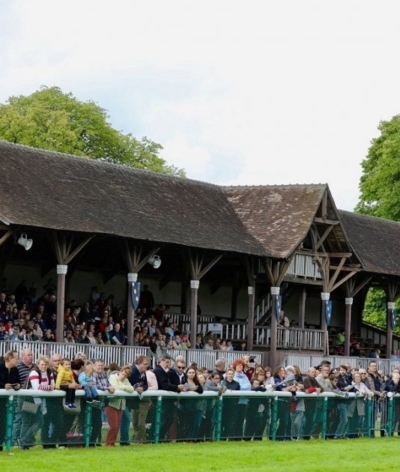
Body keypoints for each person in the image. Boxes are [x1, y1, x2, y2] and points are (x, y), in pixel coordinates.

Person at [20, 355, 54, 450]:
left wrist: (49, 387)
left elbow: (53, 385)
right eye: (42, 364)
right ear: (38, 364)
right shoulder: (34, 372)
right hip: (27, 399)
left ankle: (25, 442)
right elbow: (37, 387)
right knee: (30, 422)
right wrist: (48, 388)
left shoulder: (49, 372)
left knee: (38, 422)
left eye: (45, 365)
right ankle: (24, 442)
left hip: (36, 399)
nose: (44, 366)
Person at [106, 365, 134, 447]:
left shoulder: (126, 380)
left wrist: (122, 386)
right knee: (113, 426)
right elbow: (115, 387)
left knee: (117, 426)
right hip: (111, 404)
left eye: (126, 375)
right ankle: (108, 443)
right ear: (120, 371)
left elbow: (131, 389)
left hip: (121, 405)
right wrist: (125, 387)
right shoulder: (112, 377)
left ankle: (112, 443)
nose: (124, 376)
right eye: (123, 374)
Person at [91, 359, 115, 447]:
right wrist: (107, 388)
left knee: (98, 424)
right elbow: (94, 386)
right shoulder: (92, 375)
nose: (100, 367)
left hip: (99, 404)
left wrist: (110, 387)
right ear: (94, 366)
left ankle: (91, 442)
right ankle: (87, 442)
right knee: (91, 424)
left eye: (102, 365)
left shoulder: (104, 375)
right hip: (91, 404)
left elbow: (108, 384)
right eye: (98, 365)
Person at [0, 350, 20, 452]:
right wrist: (3, 386)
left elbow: (18, 382)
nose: (17, 360)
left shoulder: (15, 370)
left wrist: (17, 386)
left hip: (4, 401)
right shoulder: (0, 367)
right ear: (9, 358)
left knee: (3, 422)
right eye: (16, 358)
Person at [128, 356, 150, 444]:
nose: (147, 366)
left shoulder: (143, 372)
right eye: (145, 364)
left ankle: (142, 441)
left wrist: (142, 388)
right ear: (139, 364)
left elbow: (146, 385)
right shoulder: (132, 371)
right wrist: (136, 388)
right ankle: (138, 440)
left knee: (140, 423)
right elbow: (129, 383)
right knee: (135, 422)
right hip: (134, 400)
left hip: (140, 399)